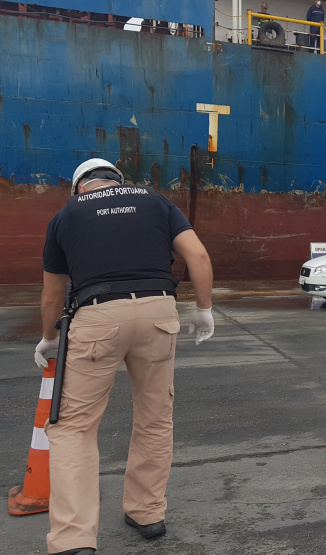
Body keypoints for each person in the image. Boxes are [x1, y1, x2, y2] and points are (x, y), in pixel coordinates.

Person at [34, 158, 215, 555]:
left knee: (73, 429)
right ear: (117, 180)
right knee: (154, 418)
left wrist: (49, 339)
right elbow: (197, 256)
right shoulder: (157, 202)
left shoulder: (66, 216)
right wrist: (203, 309)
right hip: (159, 313)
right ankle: (147, 512)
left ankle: (73, 540)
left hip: (96, 316)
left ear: (80, 185)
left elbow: (51, 294)